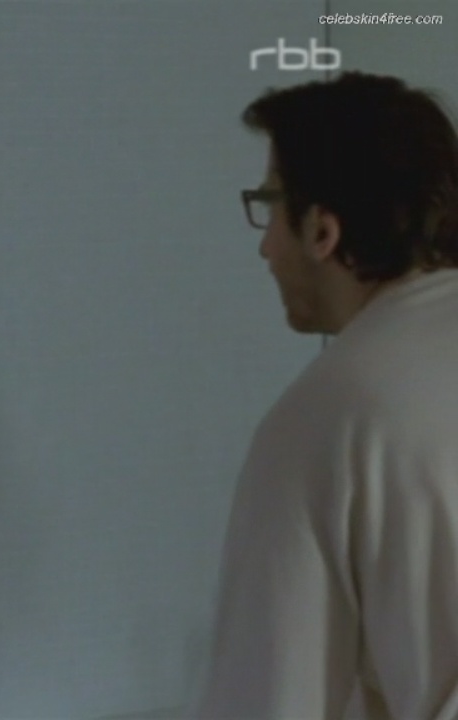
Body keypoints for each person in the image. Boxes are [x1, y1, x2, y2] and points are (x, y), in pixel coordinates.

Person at [192, 71, 458, 718]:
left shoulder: (329, 416)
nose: (265, 245)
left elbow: (271, 694)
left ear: (322, 230)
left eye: (270, 203)